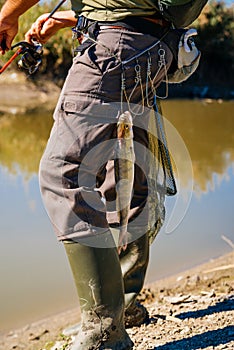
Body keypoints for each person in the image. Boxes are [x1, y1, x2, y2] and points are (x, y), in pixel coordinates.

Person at [0, 1, 202, 349]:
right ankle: (124, 305)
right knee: (123, 171)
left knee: (64, 173)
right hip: (153, 44)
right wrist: (66, 19)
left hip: (115, 46)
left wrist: (8, 14)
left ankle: (105, 330)